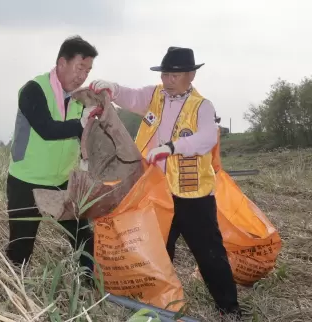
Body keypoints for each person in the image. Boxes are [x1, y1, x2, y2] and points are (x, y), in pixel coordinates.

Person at [89, 47, 241, 318]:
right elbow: (131, 96)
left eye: (174, 75)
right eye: (165, 74)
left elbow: (207, 138)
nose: (168, 80)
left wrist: (172, 147)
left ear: (191, 75)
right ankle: (157, 304)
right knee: (156, 248)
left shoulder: (202, 106)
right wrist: (112, 88)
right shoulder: (154, 95)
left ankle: (228, 307)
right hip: (156, 191)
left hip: (193, 196)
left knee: (209, 252)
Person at [6, 35, 100, 273]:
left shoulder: (81, 99)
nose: (82, 76)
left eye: (87, 71)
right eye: (79, 68)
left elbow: (87, 137)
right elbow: (47, 129)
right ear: (61, 63)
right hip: (26, 182)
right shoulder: (33, 90)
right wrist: (81, 124)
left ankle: (88, 286)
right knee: (21, 249)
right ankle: (13, 293)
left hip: (62, 183)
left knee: (84, 240)